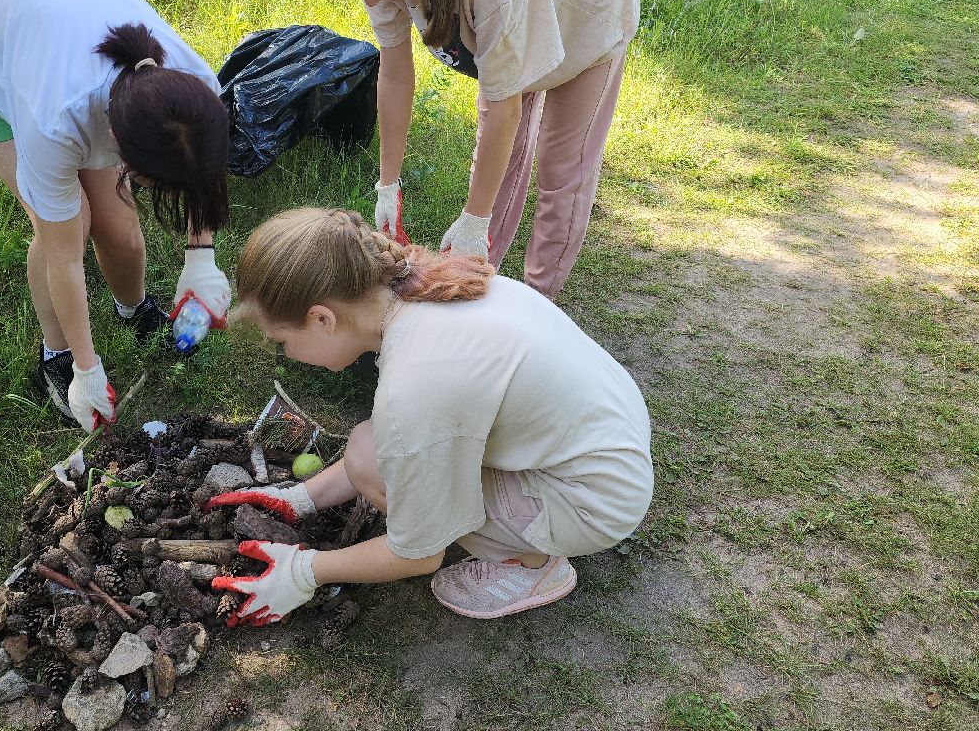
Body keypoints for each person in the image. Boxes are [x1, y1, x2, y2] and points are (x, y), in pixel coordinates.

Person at [202, 207, 653, 623]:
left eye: (282, 341)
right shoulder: (425, 288)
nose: (287, 355)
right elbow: (399, 442)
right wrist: (301, 499)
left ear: (323, 319)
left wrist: (304, 571)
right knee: (369, 447)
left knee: (371, 456)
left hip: (593, 503)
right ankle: (525, 528)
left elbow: (419, 553)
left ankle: (531, 564)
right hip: (605, 451)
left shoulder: (415, 385)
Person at [0, 0, 234, 430]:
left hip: (41, 17)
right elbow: (64, 257)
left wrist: (201, 256)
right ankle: (56, 355)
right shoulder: (55, 124)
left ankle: (134, 309)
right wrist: (87, 369)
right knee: (73, 223)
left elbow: (198, 169)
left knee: (117, 222)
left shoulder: (196, 89)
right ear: (121, 153)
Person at [314, 0, 640, 300]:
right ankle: (480, 281)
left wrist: (474, 220)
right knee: (499, 155)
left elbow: (504, 108)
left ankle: (538, 302)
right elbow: (394, 71)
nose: (371, 0)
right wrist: (388, 182)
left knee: (563, 167)